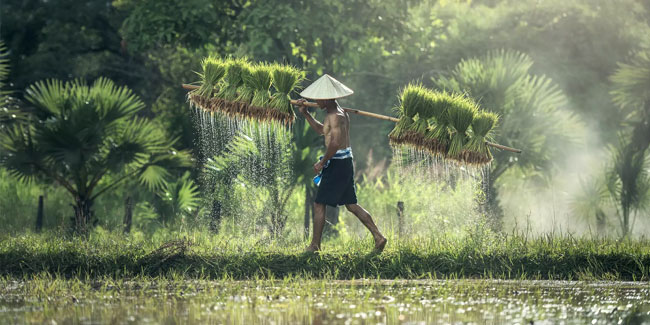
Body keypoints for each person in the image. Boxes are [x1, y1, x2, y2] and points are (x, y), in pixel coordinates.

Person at [295, 74, 387, 253]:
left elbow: (335, 144)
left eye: (318, 97)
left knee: (319, 203)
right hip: (344, 162)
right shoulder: (336, 114)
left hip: (337, 163)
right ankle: (379, 237)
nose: (315, 100)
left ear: (327, 98)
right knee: (351, 204)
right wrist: (305, 114)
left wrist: (322, 162)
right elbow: (323, 130)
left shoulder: (336, 116)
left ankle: (315, 245)